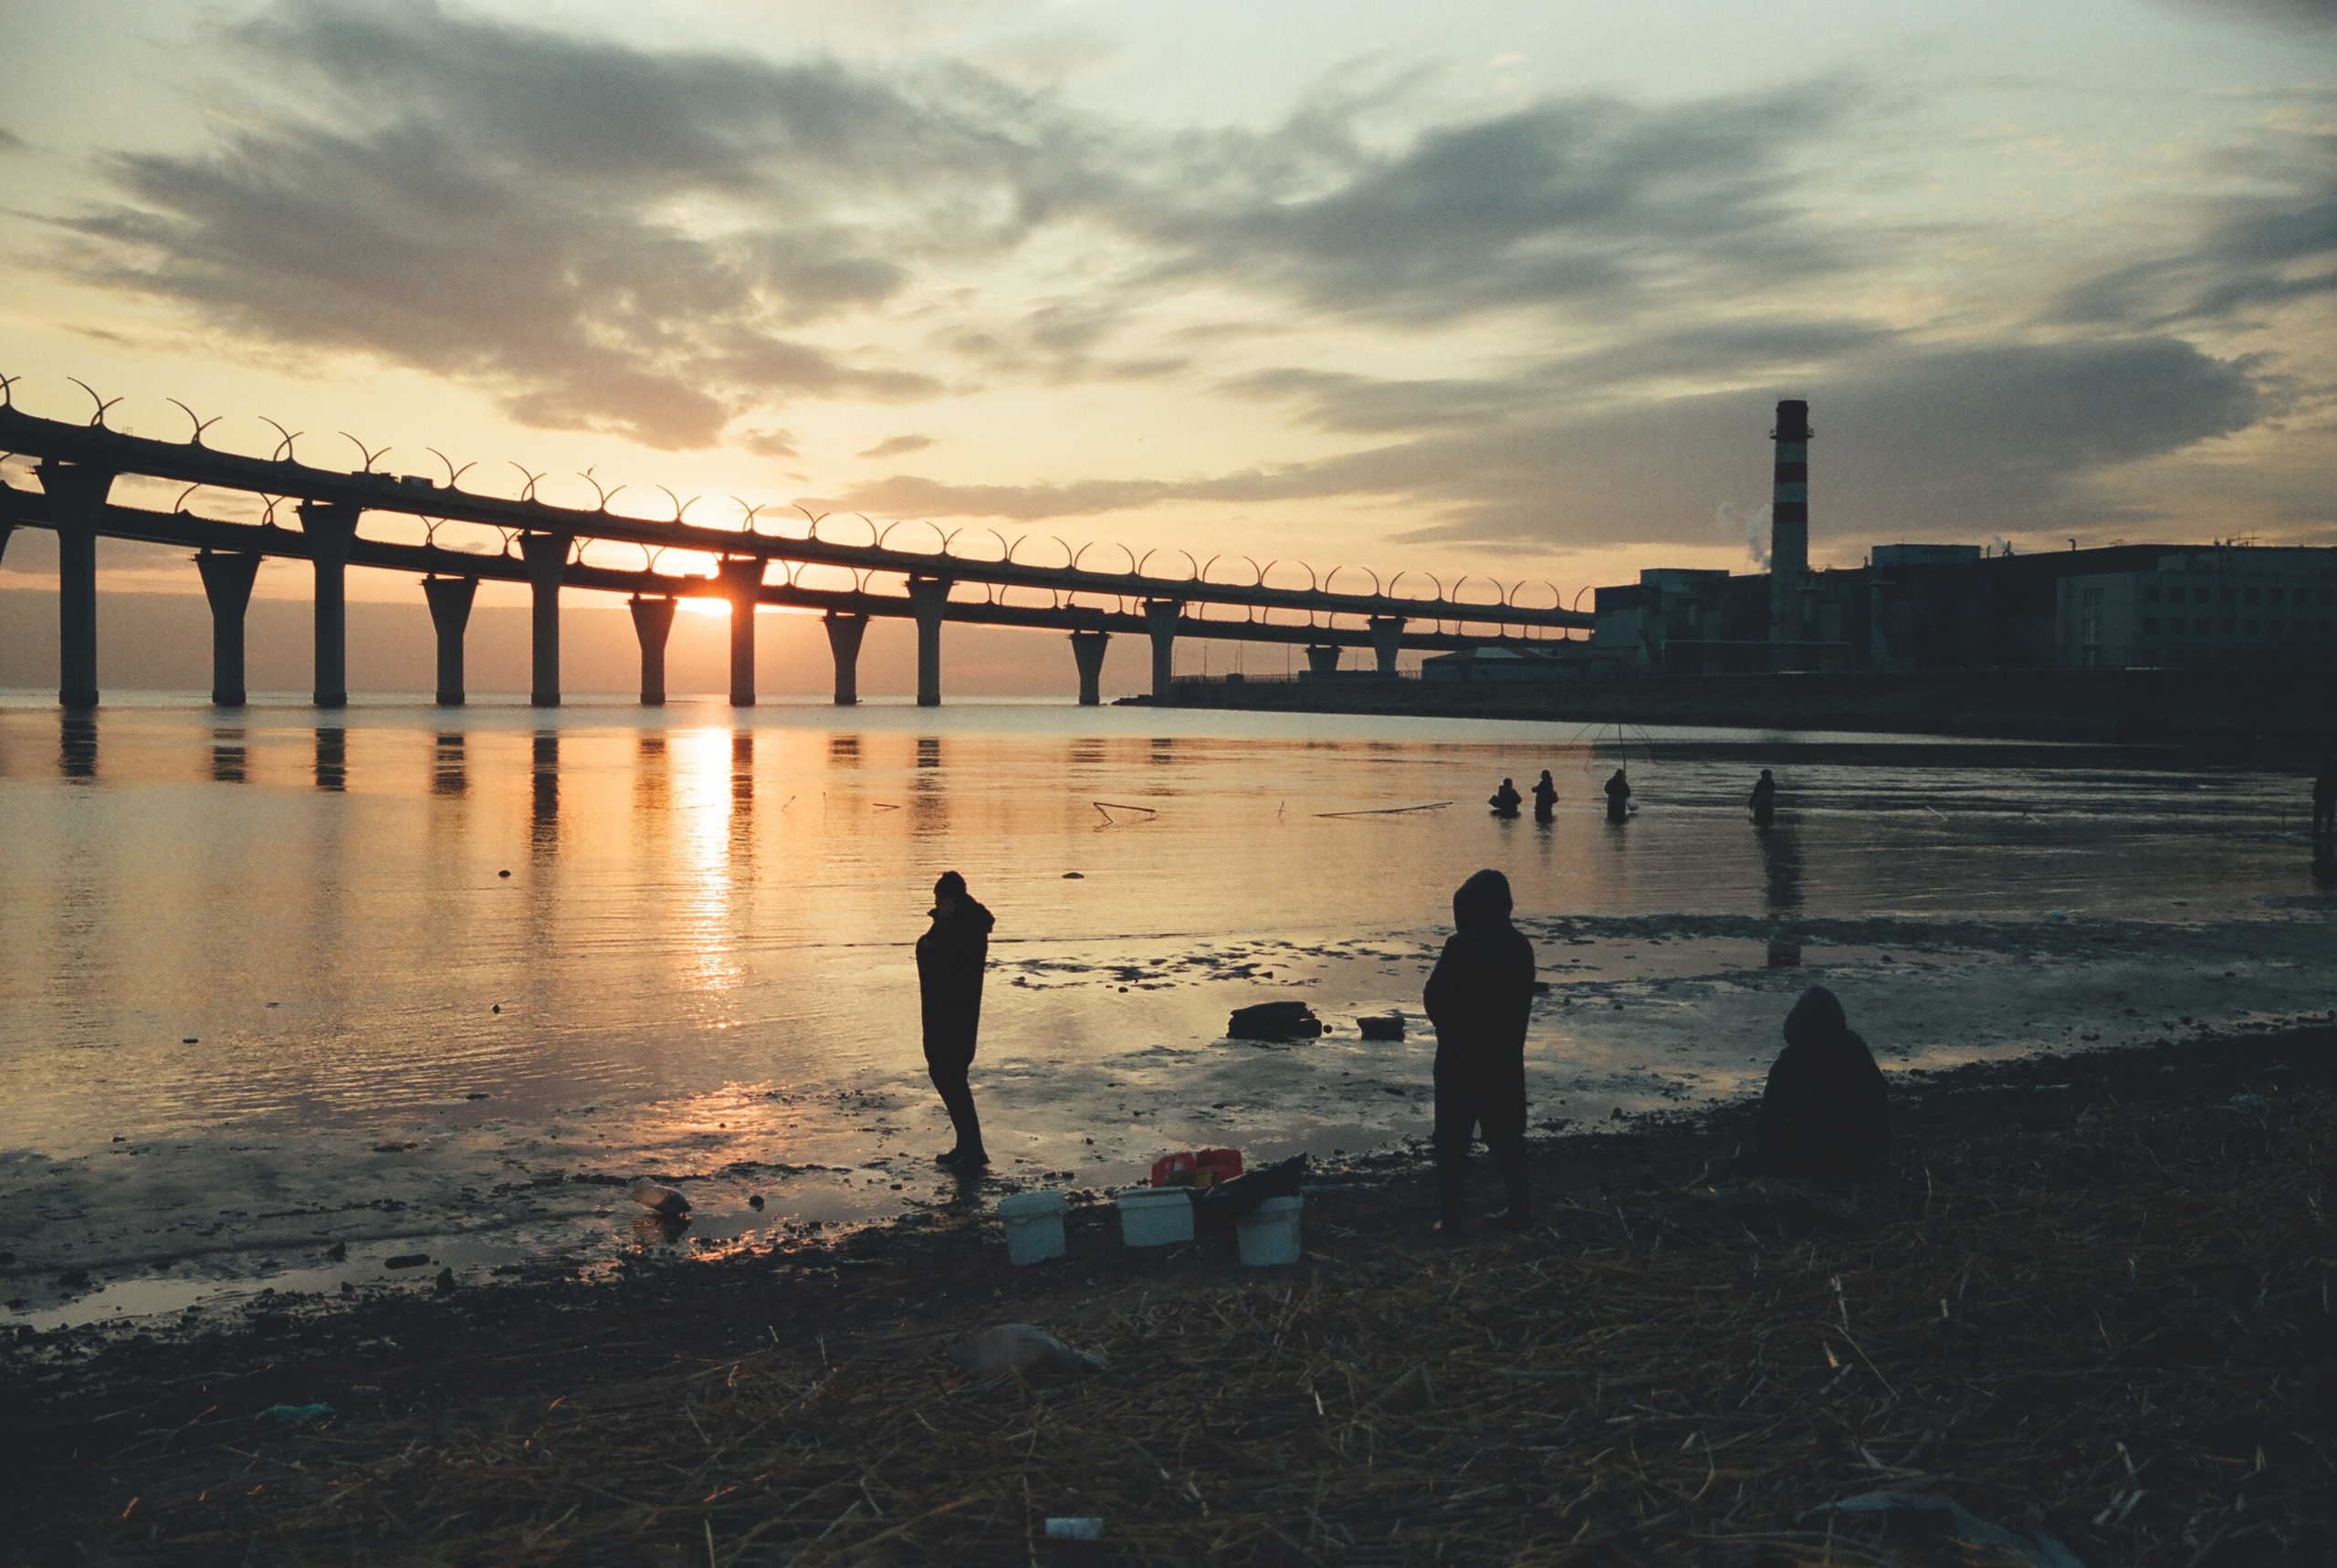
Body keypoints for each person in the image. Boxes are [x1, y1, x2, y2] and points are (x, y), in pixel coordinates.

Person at [1422, 869, 1536, 1231]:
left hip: (1460, 1062)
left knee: (1452, 1144)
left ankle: (1452, 1218)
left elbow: (1433, 997)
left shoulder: (1460, 947)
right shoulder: (1521, 948)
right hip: (1504, 1060)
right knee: (1506, 1140)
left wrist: (1450, 1030)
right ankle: (1519, 1211)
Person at [1749, 986, 1889, 1180]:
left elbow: (1764, 1132)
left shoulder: (1789, 1065)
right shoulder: (1857, 1051)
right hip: (1868, 1161)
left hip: (1816, 1165)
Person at [917, 870, 994, 1168]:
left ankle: (974, 1148)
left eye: (942, 899)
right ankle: (966, 1143)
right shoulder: (951, 925)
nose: (938, 904)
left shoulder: (966, 929)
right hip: (944, 1015)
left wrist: (928, 947)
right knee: (944, 1075)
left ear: (953, 899)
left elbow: (950, 963)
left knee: (952, 1078)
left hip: (956, 1017)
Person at [2314, 756, 2336, 841]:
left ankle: (2321, 831)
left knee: (2321, 815)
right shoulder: (2331, 772)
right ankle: (2326, 831)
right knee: (2327, 815)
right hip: (2327, 797)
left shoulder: (2325, 771)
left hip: (2326, 797)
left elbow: (2319, 783)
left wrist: (2315, 793)